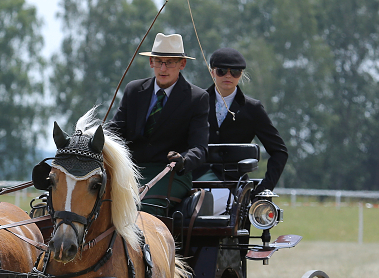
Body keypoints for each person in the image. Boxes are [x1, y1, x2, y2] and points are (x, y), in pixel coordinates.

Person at [109, 32, 209, 214]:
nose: (163, 68)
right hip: (131, 171)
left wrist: (183, 160)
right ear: (151, 63)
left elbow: (200, 148)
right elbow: (114, 131)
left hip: (171, 174)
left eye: (170, 62)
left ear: (182, 64)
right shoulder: (134, 90)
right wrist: (93, 138)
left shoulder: (197, 98)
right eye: (158, 61)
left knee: (142, 210)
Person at [205, 47, 288, 197]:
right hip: (195, 181)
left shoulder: (252, 109)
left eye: (235, 72)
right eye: (222, 71)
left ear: (241, 74)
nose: (228, 76)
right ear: (212, 72)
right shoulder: (197, 103)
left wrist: (263, 189)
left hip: (234, 187)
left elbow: (279, 152)